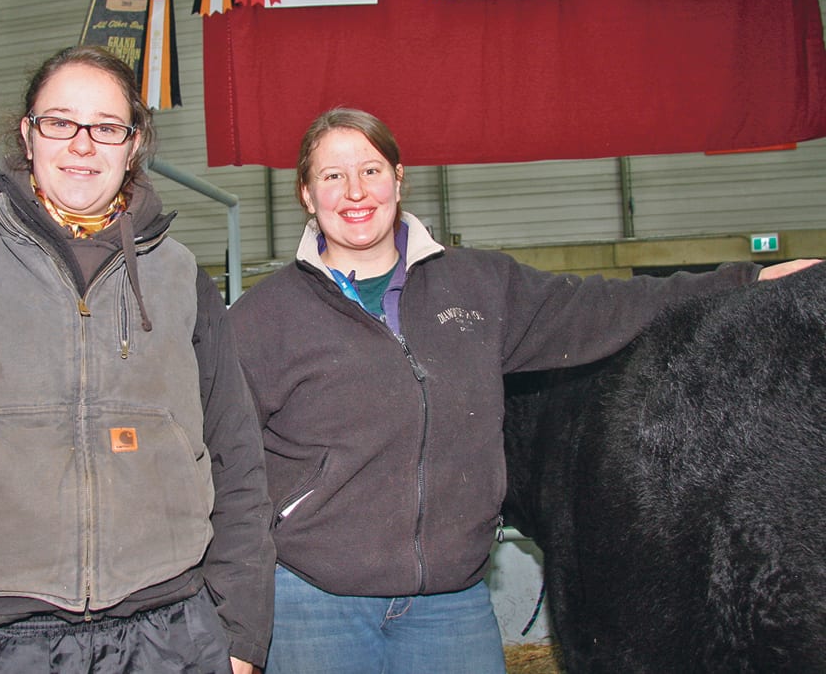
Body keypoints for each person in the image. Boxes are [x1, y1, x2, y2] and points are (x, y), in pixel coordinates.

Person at [226, 107, 820, 674]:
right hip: (315, 602)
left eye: (371, 170)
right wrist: (238, 620)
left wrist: (747, 279)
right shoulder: (263, 317)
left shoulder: (480, 284)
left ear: (399, 180)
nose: (355, 192)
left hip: (449, 604)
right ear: (307, 194)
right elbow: (226, 466)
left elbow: (605, 306)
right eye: (333, 175)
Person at [0, 45, 275, 674]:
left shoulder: (182, 279)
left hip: (172, 633)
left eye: (106, 128)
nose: (82, 145)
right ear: (28, 133)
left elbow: (239, 461)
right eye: (60, 122)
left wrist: (239, 636)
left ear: (134, 144)